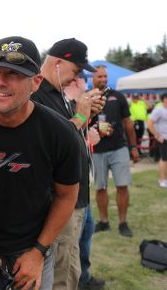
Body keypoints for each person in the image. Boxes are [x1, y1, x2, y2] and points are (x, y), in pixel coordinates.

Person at [0, 36, 81, 290]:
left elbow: (66, 197)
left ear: (36, 82)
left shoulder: (60, 132)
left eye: (13, 74)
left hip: (34, 248)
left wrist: (39, 251)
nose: (0, 82)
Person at [31, 38, 105, 290]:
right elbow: (50, 145)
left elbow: (71, 137)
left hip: (75, 198)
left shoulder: (59, 96)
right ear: (58, 63)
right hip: (57, 201)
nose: (76, 79)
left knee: (70, 265)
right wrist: (81, 114)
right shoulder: (36, 95)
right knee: (60, 271)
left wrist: (86, 115)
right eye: (75, 71)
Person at [63, 74, 105, 290]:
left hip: (82, 184)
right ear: (76, 83)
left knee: (85, 234)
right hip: (72, 188)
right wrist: (87, 137)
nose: (88, 87)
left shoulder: (74, 107)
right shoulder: (65, 106)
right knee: (75, 240)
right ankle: (80, 279)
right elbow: (62, 143)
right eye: (84, 82)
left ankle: (83, 277)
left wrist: (88, 130)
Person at [91, 65, 139, 237]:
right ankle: (104, 221)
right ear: (92, 78)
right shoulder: (87, 98)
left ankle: (123, 222)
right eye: (99, 76)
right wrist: (96, 129)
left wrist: (133, 147)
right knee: (101, 187)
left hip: (119, 147)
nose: (103, 79)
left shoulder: (117, 96)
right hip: (97, 150)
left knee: (122, 186)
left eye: (105, 76)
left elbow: (128, 123)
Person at [147, 92, 167, 188]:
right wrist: (157, 135)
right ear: (163, 99)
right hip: (163, 139)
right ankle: (162, 180)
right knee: (164, 159)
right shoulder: (159, 110)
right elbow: (150, 123)